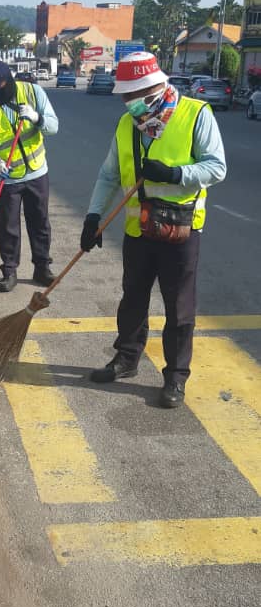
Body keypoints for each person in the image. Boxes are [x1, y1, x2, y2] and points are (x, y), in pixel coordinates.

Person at [81, 51, 226, 408]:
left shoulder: (195, 115)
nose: (127, 102)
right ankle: (126, 358)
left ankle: (176, 377)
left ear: (153, 88)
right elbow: (109, 175)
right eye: (125, 96)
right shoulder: (127, 124)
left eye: (132, 95)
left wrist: (177, 174)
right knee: (132, 298)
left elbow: (217, 167)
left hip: (181, 230)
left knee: (179, 307)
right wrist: (93, 217)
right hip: (138, 229)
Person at [0, 60, 58, 292]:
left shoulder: (34, 92)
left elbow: (53, 127)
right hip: (8, 177)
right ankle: (9, 271)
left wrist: (36, 118)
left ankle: (42, 267)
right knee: (9, 226)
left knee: (40, 222)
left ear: (8, 81)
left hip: (36, 172)